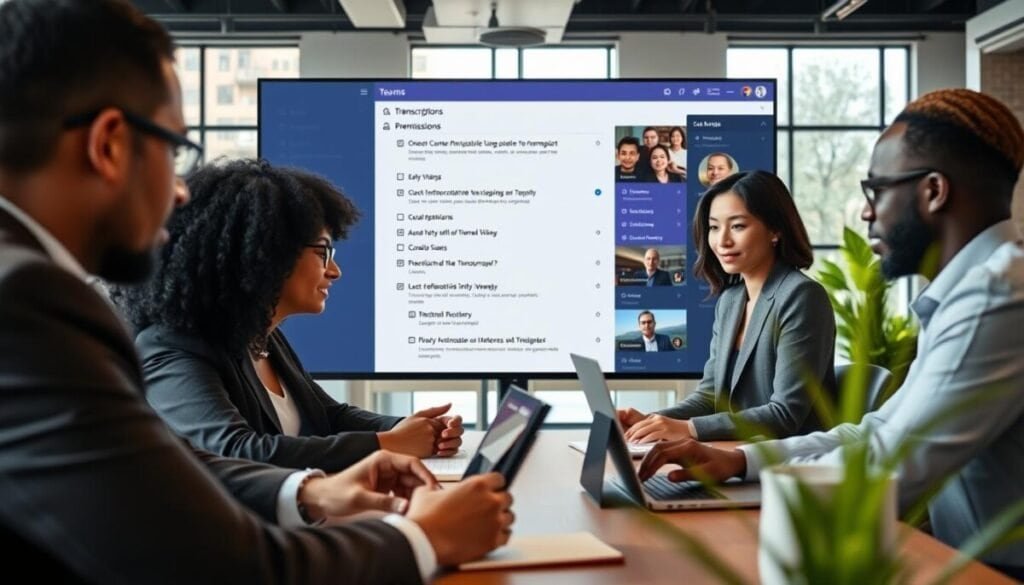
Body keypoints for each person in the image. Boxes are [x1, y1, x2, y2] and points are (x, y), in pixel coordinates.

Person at [0, 1, 512, 582]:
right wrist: (423, 537)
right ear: (110, 145)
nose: (181, 192)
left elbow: (161, 469)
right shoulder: (28, 301)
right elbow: (234, 565)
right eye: (174, 150)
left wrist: (309, 492)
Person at [637, 89, 1024, 578]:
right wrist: (736, 461)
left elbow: (892, 463)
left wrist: (751, 480)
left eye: (876, 190)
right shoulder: (971, 293)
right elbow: (875, 432)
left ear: (933, 191)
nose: (866, 212)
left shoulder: (997, 297)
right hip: (960, 559)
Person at [112, 160, 463, 472]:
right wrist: (387, 444)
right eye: (323, 253)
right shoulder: (173, 349)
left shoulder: (261, 335)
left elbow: (328, 416)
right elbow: (238, 452)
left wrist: (409, 427)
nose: (335, 271)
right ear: (267, 255)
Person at [619, 171, 836, 441]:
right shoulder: (730, 301)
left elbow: (785, 414)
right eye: (713, 227)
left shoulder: (802, 296)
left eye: (737, 226)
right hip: (733, 454)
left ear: (775, 230)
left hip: (789, 466)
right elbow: (710, 397)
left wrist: (686, 429)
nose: (722, 242)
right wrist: (652, 422)